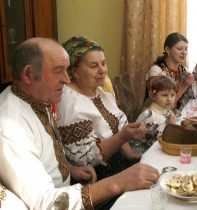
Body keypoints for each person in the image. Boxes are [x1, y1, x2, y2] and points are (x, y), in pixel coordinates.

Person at [0, 37, 159, 209]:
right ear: (28, 74)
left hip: (71, 191)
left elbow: (44, 153)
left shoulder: (38, 98)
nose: (67, 79)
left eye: (66, 70)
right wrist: (117, 182)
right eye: (58, 71)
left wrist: (71, 169)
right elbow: (46, 203)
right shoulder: (10, 125)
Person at [58, 36, 145, 182]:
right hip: (96, 176)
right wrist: (124, 136)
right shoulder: (70, 103)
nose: (102, 70)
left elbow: (116, 127)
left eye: (103, 64)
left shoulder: (100, 93)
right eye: (94, 66)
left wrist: (130, 154)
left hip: (118, 163)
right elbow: (85, 160)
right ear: (74, 72)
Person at [146, 32, 194, 110]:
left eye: (186, 49)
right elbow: (164, 105)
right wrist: (184, 85)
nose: (184, 52)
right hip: (157, 116)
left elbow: (193, 97)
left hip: (177, 113)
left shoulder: (184, 70)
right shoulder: (156, 71)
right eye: (179, 49)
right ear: (167, 49)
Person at [133, 76, 177, 155]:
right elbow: (155, 138)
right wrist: (168, 125)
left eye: (172, 95)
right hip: (143, 152)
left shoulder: (167, 111)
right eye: (164, 95)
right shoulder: (150, 115)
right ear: (153, 96)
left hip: (158, 149)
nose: (169, 99)